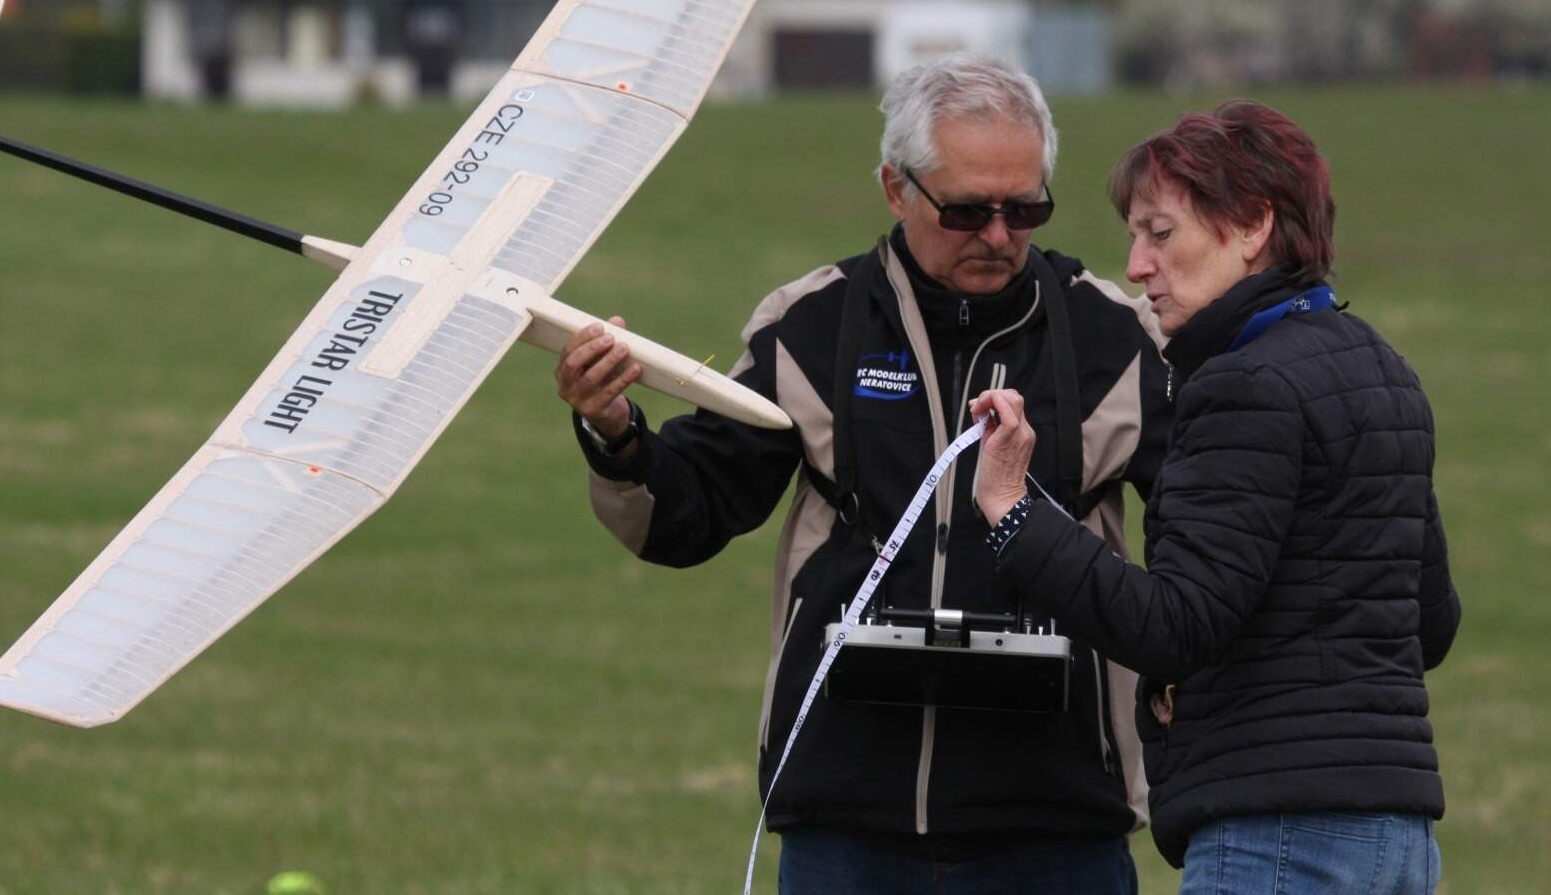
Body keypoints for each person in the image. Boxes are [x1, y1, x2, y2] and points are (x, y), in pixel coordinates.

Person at [556, 55, 1172, 893]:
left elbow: (1205, 557)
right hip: (846, 827)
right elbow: (688, 513)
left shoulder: (1115, 341)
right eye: (967, 210)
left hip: (1059, 828)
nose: (998, 236)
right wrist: (616, 432)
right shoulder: (811, 326)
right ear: (895, 188)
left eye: (1025, 209)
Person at [972, 99, 1461, 893]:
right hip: (1398, 841)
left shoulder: (1242, 385)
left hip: (1278, 837)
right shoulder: (1384, 370)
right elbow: (1427, 624)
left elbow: (1175, 625)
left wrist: (1013, 512)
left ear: (1253, 227)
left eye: (1161, 233)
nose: (1137, 265)